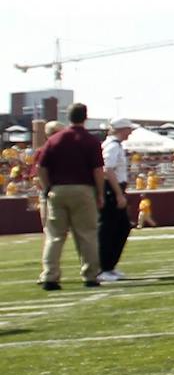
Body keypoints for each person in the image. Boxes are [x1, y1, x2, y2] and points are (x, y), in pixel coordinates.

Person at [34, 104, 106, 290]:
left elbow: (40, 168)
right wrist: (100, 193)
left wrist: (47, 187)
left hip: (57, 190)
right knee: (87, 234)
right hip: (83, 189)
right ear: (85, 117)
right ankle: (90, 275)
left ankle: (50, 275)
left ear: (68, 117)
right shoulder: (91, 141)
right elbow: (98, 170)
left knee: (55, 236)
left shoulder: (55, 139)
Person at [98, 117, 136, 281]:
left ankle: (109, 266)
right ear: (122, 129)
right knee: (111, 229)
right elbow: (108, 170)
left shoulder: (115, 146)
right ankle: (103, 267)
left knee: (120, 227)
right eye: (129, 129)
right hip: (112, 190)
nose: (131, 132)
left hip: (114, 189)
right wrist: (118, 193)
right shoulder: (112, 146)